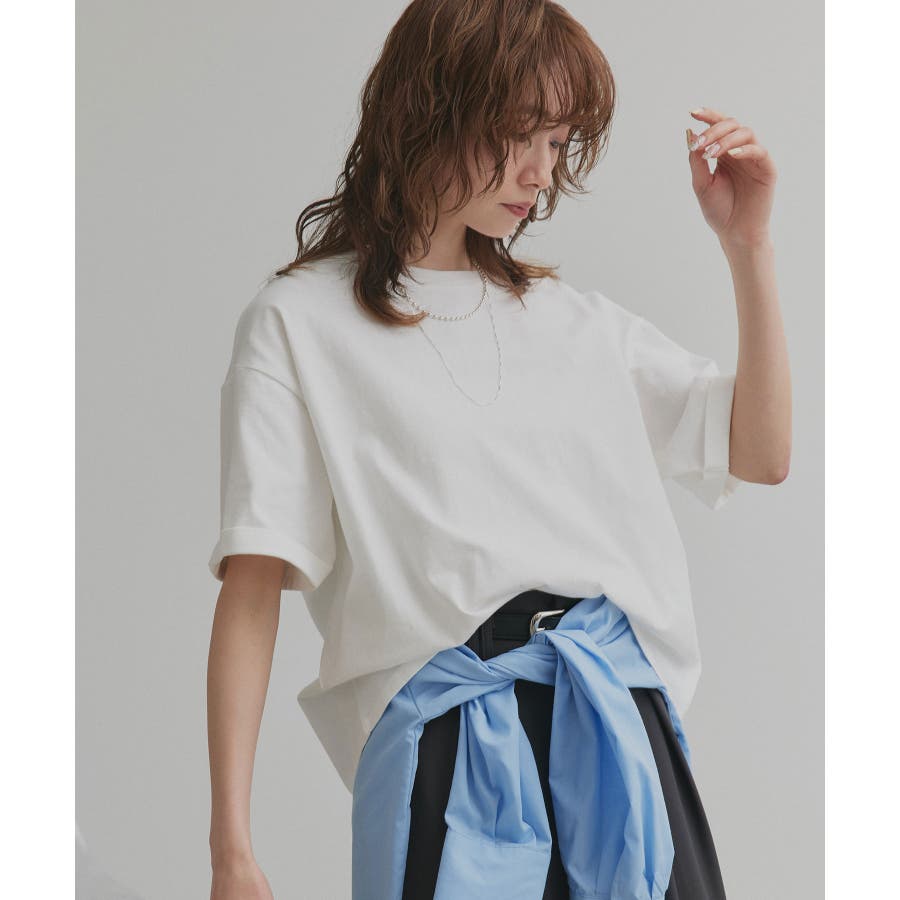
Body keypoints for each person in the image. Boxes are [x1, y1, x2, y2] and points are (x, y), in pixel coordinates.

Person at [205, 2, 790, 899]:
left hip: (616, 732)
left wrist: (748, 247)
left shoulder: (575, 324)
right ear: (431, 104)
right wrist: (232, 851)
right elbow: (252, 588)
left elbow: (761, 452)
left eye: (557, 144)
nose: (539, 172)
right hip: (448, 754)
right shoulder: (300, 323)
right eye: (521, 133)